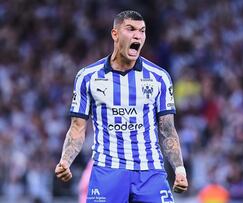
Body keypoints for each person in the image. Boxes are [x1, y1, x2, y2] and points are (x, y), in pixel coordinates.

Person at [54, 10, 188, 202]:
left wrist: (180, 169)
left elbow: (167, 129)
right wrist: (65, 161)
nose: (138, 35)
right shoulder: (88, 77)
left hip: (150, 171)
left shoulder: (159, 77)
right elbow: (77, 128)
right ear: (115, 34)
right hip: (108, 170)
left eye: (142, 31)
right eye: (131, 29)